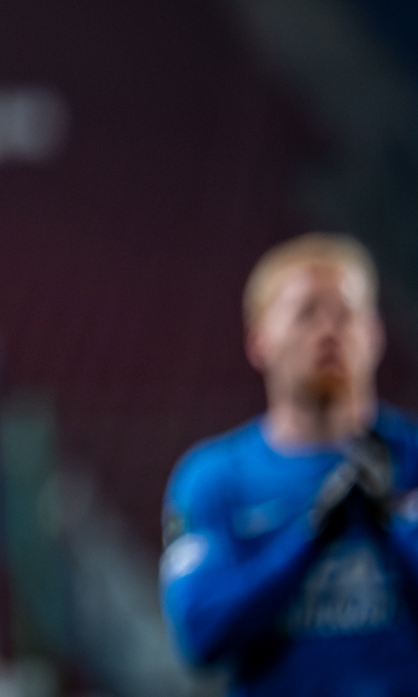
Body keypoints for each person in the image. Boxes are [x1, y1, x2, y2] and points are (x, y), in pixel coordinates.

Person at [161, 233, 418, 694]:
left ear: (375, 333)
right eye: (306, 314)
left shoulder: (413, 460)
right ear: (259, 341)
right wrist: (311, 538)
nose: (328, 331)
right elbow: (201, 634)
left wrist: (392, 528)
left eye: (345, 314)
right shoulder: (215, 480)